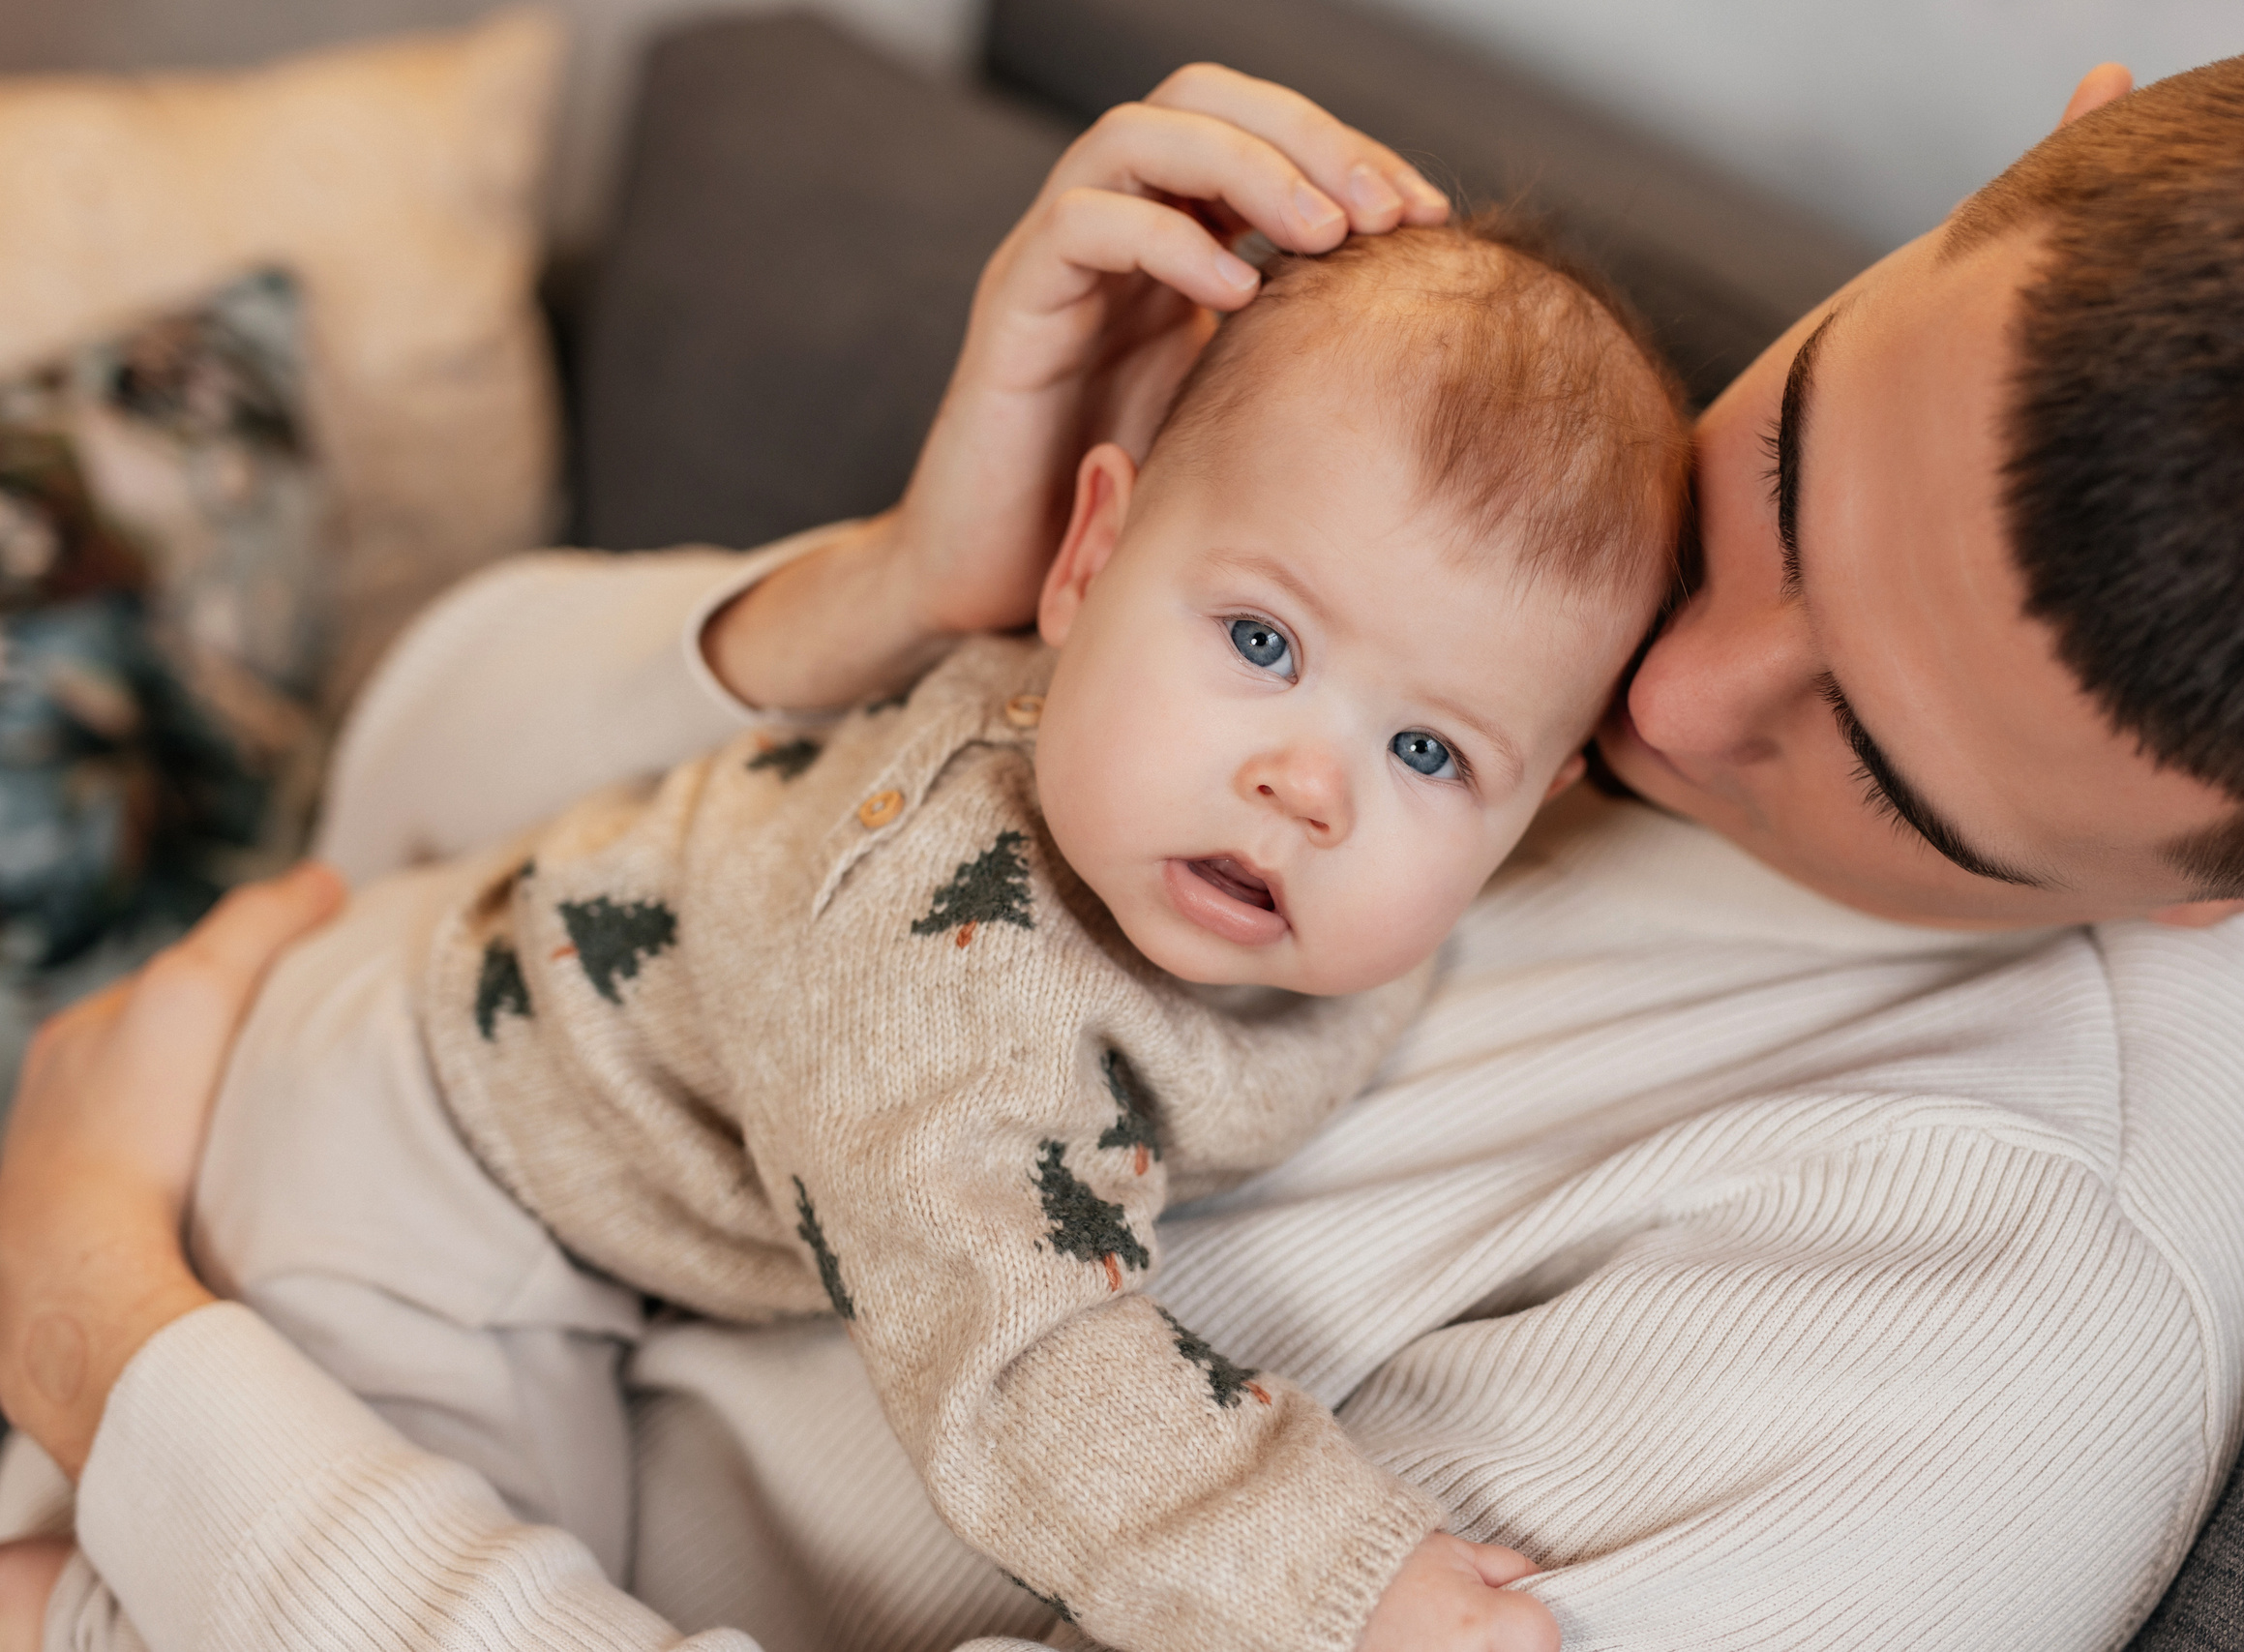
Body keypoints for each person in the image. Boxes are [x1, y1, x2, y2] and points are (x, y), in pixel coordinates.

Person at [1, 33, 2244, 1652]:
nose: (1674, 689)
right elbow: (415, 766)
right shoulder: (1504, 472)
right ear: (2041, 149)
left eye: (1896, 776)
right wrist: (916, 585)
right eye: (1791, 468)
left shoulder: (1948, 1367)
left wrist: (129, 1354)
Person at [13, 221, 1680, 1652]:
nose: (1307, 782)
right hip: (432, 1159)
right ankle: (52, 1604)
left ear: (1529, 817)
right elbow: (1018, 1355)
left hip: (537, 1103)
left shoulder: (1292, 876)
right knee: (480, 1549)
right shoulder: (949, 966)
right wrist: (1334, 1585)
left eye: (1428, 753)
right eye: (1260, 636)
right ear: (1087, 562)